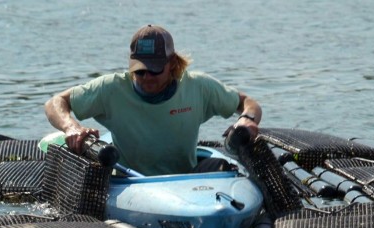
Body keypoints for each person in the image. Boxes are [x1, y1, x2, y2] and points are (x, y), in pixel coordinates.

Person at [45, 24, 262, 176]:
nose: (146, 77)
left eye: (155, 70)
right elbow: (55, 103)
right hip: (130, 182)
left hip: (186, 181)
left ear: (173, 63)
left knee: (223, 168)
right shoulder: (110, 88)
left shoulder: (198, 87)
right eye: (139, 71)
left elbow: (248, 103)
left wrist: (247, 118)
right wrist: (70, 126)